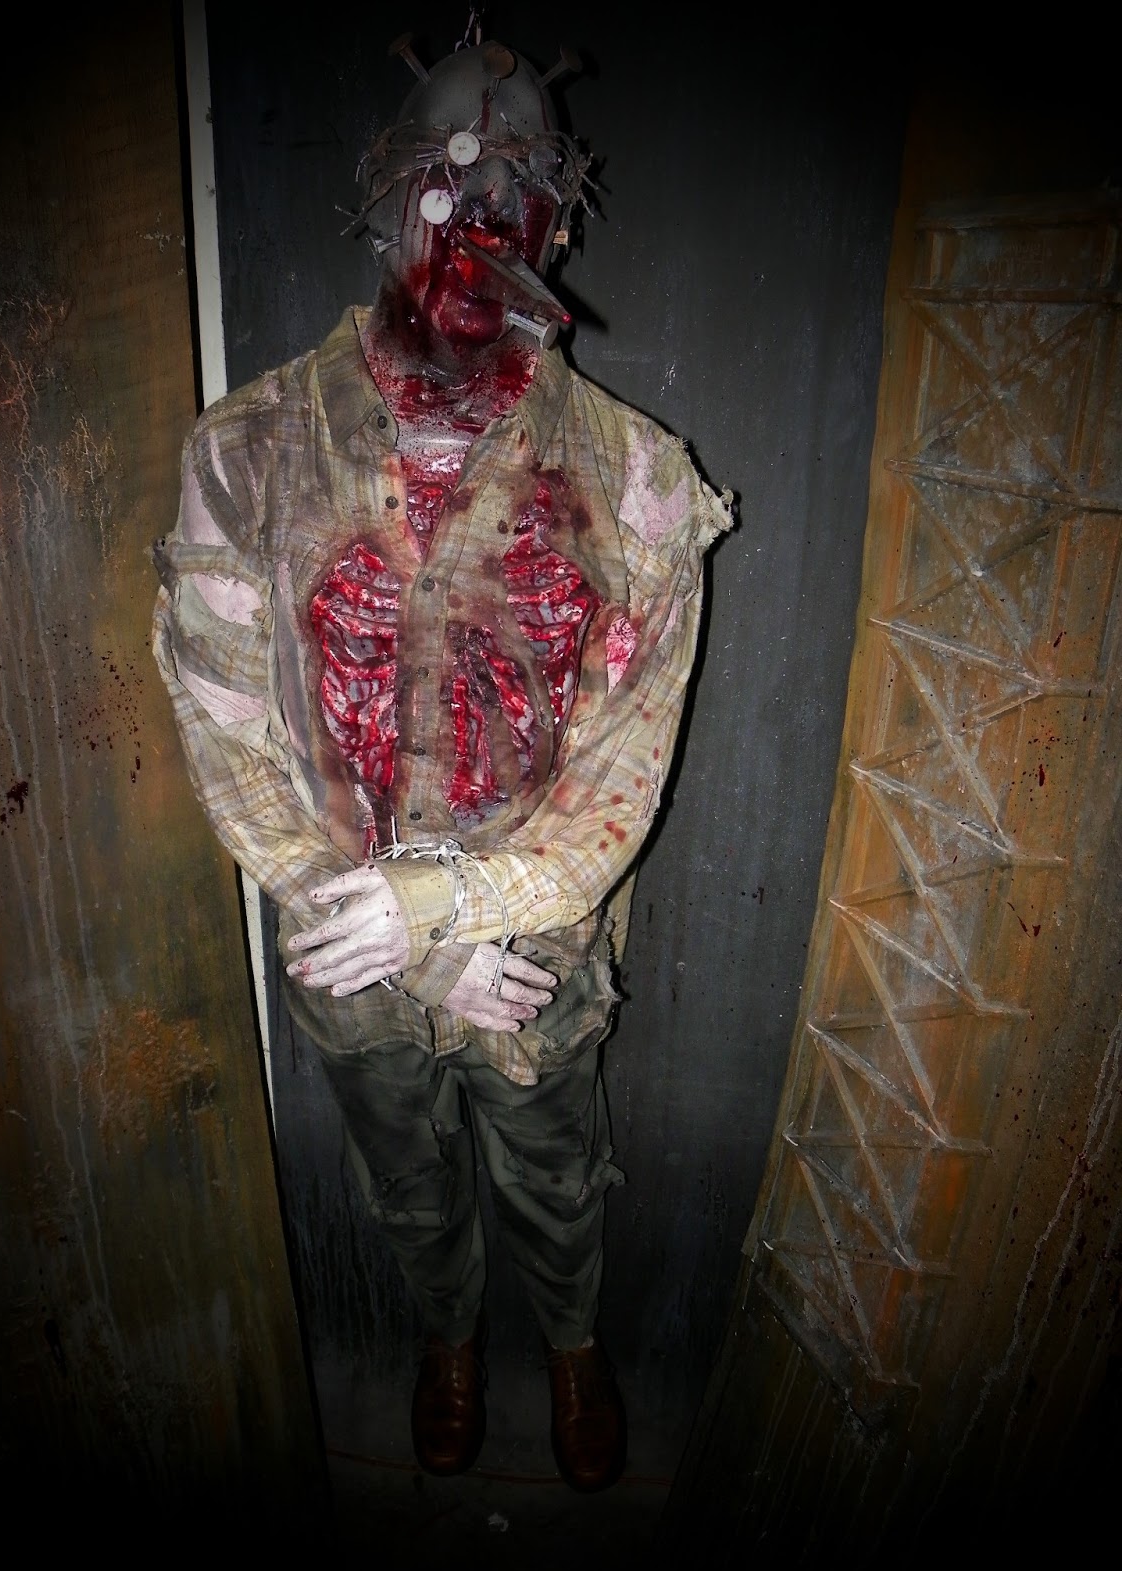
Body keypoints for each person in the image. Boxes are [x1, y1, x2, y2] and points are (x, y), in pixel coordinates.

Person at [152, 33, 732, 1494]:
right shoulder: (248, 449)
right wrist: (399, 931)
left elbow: (625, 766)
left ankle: (576, 1346)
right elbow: (224, 720)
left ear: (555, 226)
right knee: (405, 1179)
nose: (472, 228)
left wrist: (468, 912)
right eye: (441, 190)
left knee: (555, 1173)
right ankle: (447, 1344)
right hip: (343, 942)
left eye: (511, 198)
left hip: (531, 953)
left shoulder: (639, 482)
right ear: (381, 202)